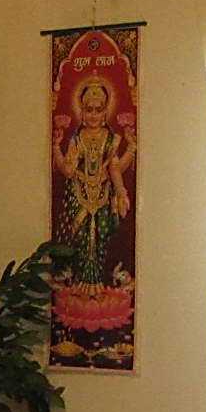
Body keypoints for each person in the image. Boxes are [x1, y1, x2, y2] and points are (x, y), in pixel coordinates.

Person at [51, 75, 135, 285]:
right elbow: (68, 171)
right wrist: (56, 149)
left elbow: (115, 168)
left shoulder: (110, 139)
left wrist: (122, 191)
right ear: (82, 111)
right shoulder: (77, 139)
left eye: (98, 110)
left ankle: (98, 284)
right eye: (89, 110)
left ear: (106, 111)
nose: (94, 115)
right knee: (79, 239)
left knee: (102, 238)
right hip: (79, 197)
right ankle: (80, 285)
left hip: (103, 198)